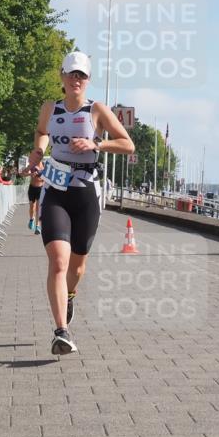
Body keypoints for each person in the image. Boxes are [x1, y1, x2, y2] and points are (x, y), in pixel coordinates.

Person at [23, 51, 134, 355]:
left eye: (81, 75)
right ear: (61, 76)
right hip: (55, 190)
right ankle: (61, 331)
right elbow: (42, 133)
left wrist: (96, 143)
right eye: (71, 73)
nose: (76, 79)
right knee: (58, 261)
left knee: (78, 266)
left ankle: (69, 294)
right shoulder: (50, 108)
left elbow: (127, 144)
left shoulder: (97, 110)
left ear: (88, 80)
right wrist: (37, 153)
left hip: (86, 194)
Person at [21, 160, 44, 234]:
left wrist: (41, 176)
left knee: (38, 208)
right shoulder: (32, 165)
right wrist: (30, 174)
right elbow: (22, 173)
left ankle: (37, 226)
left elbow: (48, 177)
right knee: (32, 207)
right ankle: (31, 219)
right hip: (32, 188)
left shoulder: (44, 166)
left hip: (40, 188)